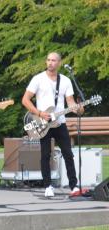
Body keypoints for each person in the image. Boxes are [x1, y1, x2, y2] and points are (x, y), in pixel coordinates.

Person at [22, 52, 83, 197]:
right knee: (45, 155)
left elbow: (70, 103)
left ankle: (74, 186)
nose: (50, 63)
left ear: (59, 63)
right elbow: (25, 100)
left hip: (60, 122)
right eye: (48, 60)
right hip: (43, 122)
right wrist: (39, 113)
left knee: (68, 154)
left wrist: (78, 108)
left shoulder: (66, 80)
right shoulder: (38, 79)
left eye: (53, 60)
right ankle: (48, 186)